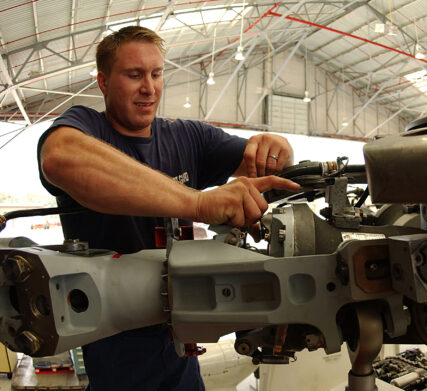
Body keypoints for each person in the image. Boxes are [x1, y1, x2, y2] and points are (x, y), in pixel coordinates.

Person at [36, 26, 300, 391]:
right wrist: (198, 203)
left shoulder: (187, 136)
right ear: (103, 81)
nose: (149, 88)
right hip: (116, 349)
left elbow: (268, 161)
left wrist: (278, 148)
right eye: (134, 75)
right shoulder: (86, 128)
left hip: (181, 344)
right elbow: (60, 158)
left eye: (156, 74)